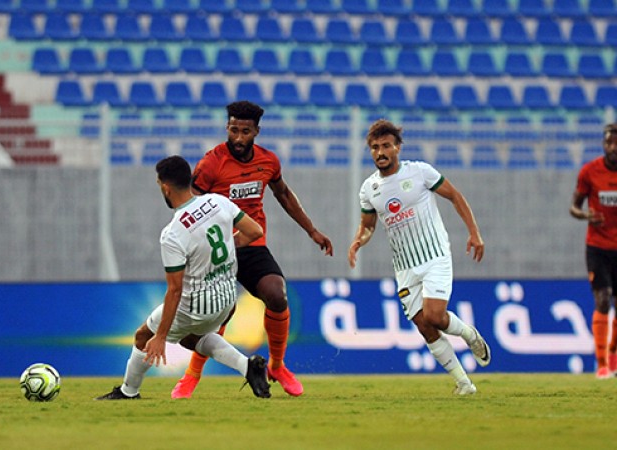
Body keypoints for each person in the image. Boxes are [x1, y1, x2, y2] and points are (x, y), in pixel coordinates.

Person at [170, 101, 333, 399]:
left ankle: (277, 366)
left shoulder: (268, 161)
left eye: (245, 131)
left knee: (276, 294)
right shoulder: (210, 164)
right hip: (217, 249)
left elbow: (283, 194)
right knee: (219, 312)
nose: (239, 138)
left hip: (251, 244)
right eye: (233, 130)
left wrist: (311, 230)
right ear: (227, 129)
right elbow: (190, 208)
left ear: (256, 131)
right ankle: (191, 376)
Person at [96, 155, 271, 400]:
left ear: (165, 188)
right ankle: (248, 367)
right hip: (227, 300)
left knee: (142, 336)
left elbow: (175, 291)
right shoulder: (218, 201)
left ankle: (128, 392)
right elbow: (255, 231)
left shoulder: (173, 234)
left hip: (196, 307)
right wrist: (225, 248)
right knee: (191, 339)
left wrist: (161, 336)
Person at [347, 119, 491, 395]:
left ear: (398, 148)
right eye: (375, 147)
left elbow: (455, 196)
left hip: (435, 256)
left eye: (386, 146)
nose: (380, 152)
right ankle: (464, 384)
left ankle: (469, 335)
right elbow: (368, 226)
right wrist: (358, 242)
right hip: (405, 268)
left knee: (435, 315)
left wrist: (474, 233)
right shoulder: (368, 189)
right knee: (425, 326)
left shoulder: (420, 172)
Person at [570, 123, 617, 379]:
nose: (613, 148)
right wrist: (585, 214)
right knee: (602, 299)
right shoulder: (590, 172)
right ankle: (601, 365)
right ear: (603, 144)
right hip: (598, 247)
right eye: (609, 143)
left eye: (616, 144)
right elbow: (574, 206)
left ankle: (612, 357)